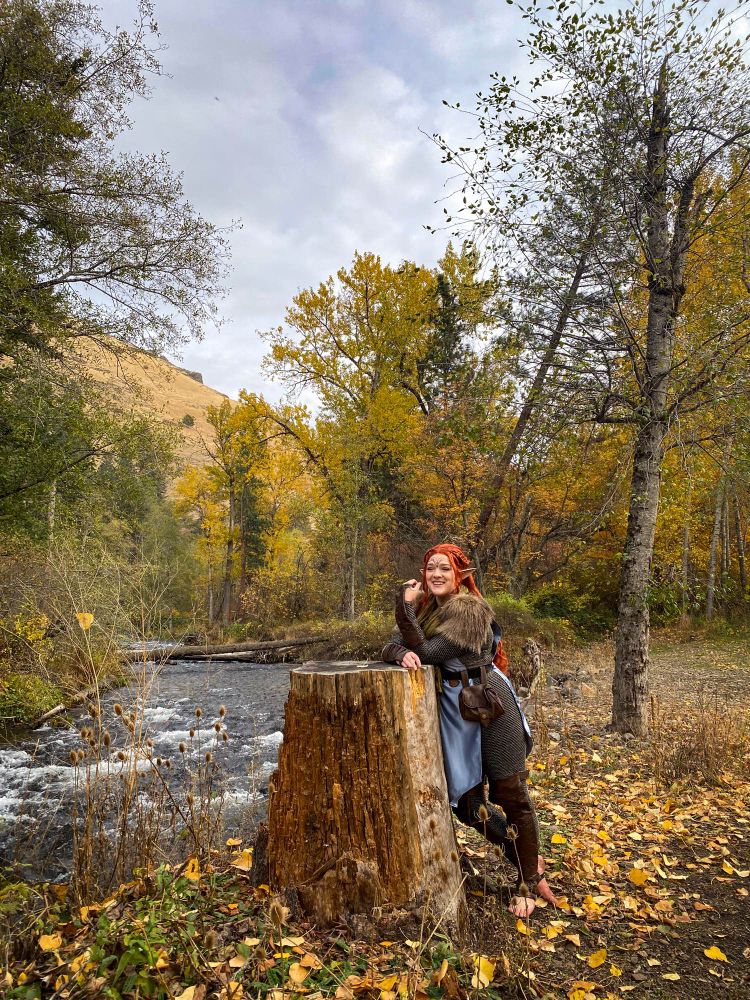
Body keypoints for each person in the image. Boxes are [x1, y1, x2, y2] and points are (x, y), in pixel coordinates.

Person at [381, 542, 556, 917]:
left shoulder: (469, 610)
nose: (436, 575)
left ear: (460, 574)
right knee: (468, 804)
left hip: (491, 704)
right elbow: (395, 645)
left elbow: (428, 654)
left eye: (444, 568)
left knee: (512, 795)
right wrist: (399, 652)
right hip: (457, 712)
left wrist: (403, 606)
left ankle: (526, 884)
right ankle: (528, 859)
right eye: (430, 569)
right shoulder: (430, 610)